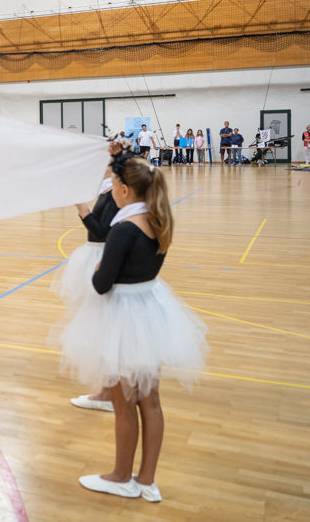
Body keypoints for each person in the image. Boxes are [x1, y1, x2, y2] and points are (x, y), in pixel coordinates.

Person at [60, 156, 208, 502]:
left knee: (124, 402)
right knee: (150, 401)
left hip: (122, 318)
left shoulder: (123, 230)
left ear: (125, 190)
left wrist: (99, 267)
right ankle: (147, 481)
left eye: (113, 186)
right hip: (150, 313)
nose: (112, 192)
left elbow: (101, 285)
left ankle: (121, 476)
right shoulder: (158, 219)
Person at [52, 154, 121, 412]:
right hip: (93, 255)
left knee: (102, 325)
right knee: (99, 323)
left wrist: (81, 208)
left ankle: (109, 393)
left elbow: (102, 231)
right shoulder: (108, 191)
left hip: (99, 256)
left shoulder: (114, 194)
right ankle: (108, 389)